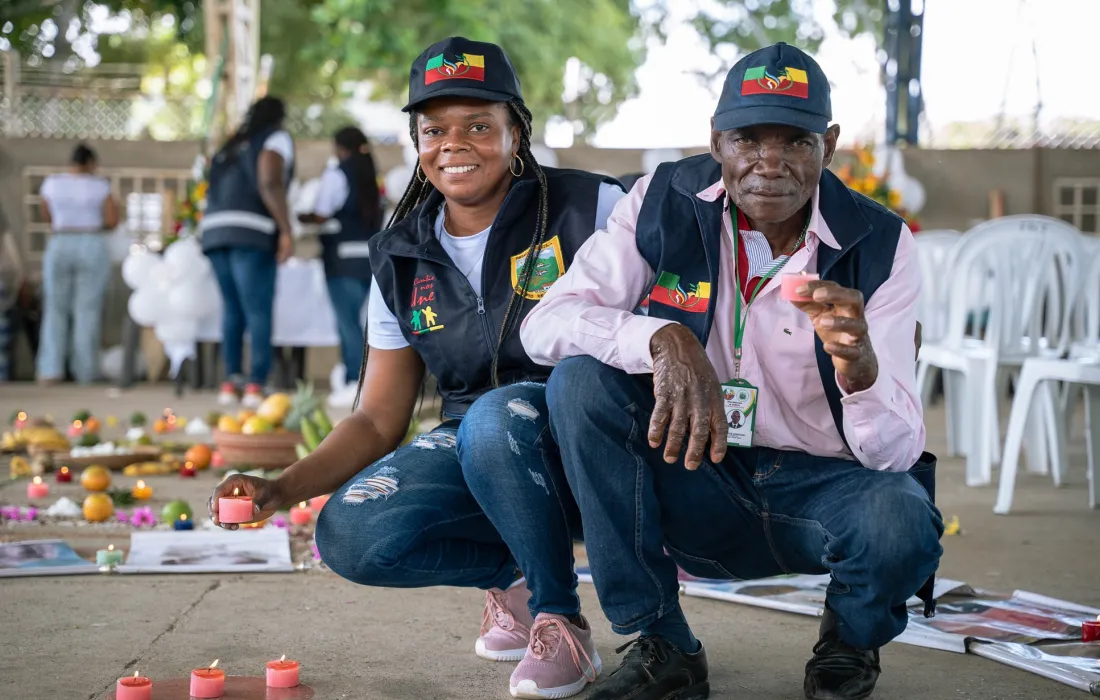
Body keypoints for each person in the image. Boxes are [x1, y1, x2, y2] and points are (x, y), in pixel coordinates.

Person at [521, 43, 943, 700]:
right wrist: (659, 336)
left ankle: (849, 641)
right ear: (716, 140)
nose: (770, 164)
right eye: (748, 138)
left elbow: (893, 453)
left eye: (796, 142)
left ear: (828, 145)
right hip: (698, 473)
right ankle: (661, 644)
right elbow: (545, 324)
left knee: (902, 521)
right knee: (579, 382)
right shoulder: (663, 200)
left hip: (822, 489)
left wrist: (861, 371)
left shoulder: (880, 243)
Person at [208, 37, 626, 699]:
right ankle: (517, 579)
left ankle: (559, 618)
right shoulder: (400, 258)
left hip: (591, 439)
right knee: (349, 534)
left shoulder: (592, 207)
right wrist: (280, 489)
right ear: (416, 142)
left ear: (517, 132)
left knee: (494, 417)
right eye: (435, 130)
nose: (454, 144)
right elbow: (377, 419)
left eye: (479, 126)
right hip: (480, 452)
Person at [201, 95, 296, 408]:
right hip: (251, 230)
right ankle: (256, 383)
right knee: (257, 308)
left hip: (214, 231)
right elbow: (269, 179)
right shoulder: (276, 138)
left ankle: (230, 382)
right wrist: (285, 228)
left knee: (232, 308)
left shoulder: (230, 144)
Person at [297, 126, 383, 408]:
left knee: (348, 325)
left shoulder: (338, 174)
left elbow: (322, 213)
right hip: (367, 259)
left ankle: (354, 382)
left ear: (339, 148)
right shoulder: (370, 177)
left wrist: (302, 216)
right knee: (363, 323)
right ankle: (367, 382)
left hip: (341, 259)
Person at [36, 144, 120, 385]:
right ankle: (86, 371)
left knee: (55, 308)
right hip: (91, 242)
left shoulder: (51, 183)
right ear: (91, 163)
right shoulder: (100, 185)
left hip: (60, 241)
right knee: (88, 310)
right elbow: (112, 219)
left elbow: (47, 215)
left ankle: (50, 370)